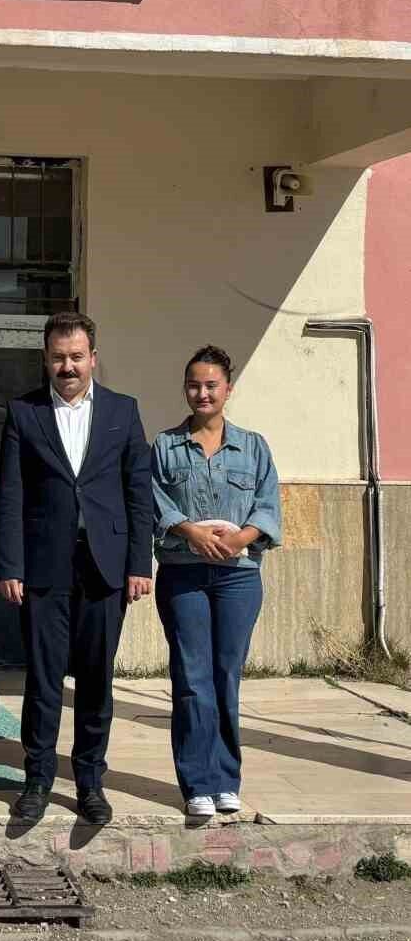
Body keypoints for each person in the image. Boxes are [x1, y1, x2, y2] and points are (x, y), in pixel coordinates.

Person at [0, 311, 153, 827]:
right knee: (43, 681)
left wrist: (139, 562)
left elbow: (138, 492)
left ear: (93, 359)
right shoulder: (24, 412)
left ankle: (90, 781)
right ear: (46, 359)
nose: (68, 366)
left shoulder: (123, 411)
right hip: (44, 568)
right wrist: (10, 564)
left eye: (77, 357)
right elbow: (11, 494)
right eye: (59, 357)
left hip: (105, 568)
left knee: (95, 680)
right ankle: (37, 780)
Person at [151, 345, 282, 819]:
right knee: (191, 678)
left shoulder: (254, 447)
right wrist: (191, 532)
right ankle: (197, 784)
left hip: (238, 580)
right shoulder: (164, 446)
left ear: (228, 389)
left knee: (226, 677)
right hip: (183, 575)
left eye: (211, 385)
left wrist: (240, 538)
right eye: (194, 385)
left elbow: (267, 504)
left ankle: (226, 779)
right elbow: (154, 501)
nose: (202, 393)